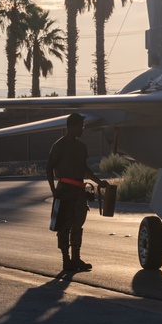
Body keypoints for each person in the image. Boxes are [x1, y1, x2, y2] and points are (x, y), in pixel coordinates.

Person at [46, 113, 107, 271]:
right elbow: (49, 168)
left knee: (77, 225)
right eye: (80, 126)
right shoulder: (59, 146)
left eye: (83, 126)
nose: (82, 129)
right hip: (64, 190)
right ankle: (66, 260)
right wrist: (54, 190)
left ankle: (76, 259)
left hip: (79, 191)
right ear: (71, 127)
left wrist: (99, 182)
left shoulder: (81, 147)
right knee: (64, 226)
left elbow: (84, 169)